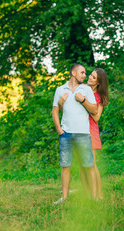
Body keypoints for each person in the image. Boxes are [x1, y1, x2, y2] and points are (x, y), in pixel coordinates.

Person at [59, 68, 109, 199]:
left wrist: (84, 101)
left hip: (90, 130)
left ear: (98, 82)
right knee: (82, 165)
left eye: (93, 77)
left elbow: (97, 117)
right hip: (77, 128)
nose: (89, 78)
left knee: (91, 164)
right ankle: (88, 195)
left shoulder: (99, 97)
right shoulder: (81, 88)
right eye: (90, 75)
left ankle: (99, 195)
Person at [52, 63, 98, 204]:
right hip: (66, 134)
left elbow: (95, 110)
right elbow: (55, 111)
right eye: (82, 73)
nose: (85, 76)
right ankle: (64, 197)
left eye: (85, 73)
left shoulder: (86, 90)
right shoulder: (60, 90)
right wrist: (59, 129)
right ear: (73, 73)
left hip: (83, 134)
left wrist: (82, 99)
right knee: (66, 166)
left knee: (89, 165)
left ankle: (94, 198)